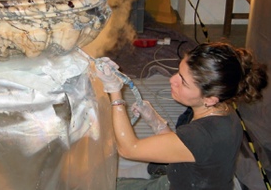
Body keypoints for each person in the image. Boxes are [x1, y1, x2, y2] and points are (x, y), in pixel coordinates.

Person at [95, 42, 268, 190]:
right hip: (187, 180)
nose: (172, 80)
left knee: (100, 185)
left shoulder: (204, 135)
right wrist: (155, 120)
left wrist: (114, 92)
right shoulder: (223, 109)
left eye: (183, 82)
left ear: (209, 98)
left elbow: (128, 149)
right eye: (179, 72)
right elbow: (183, 146)